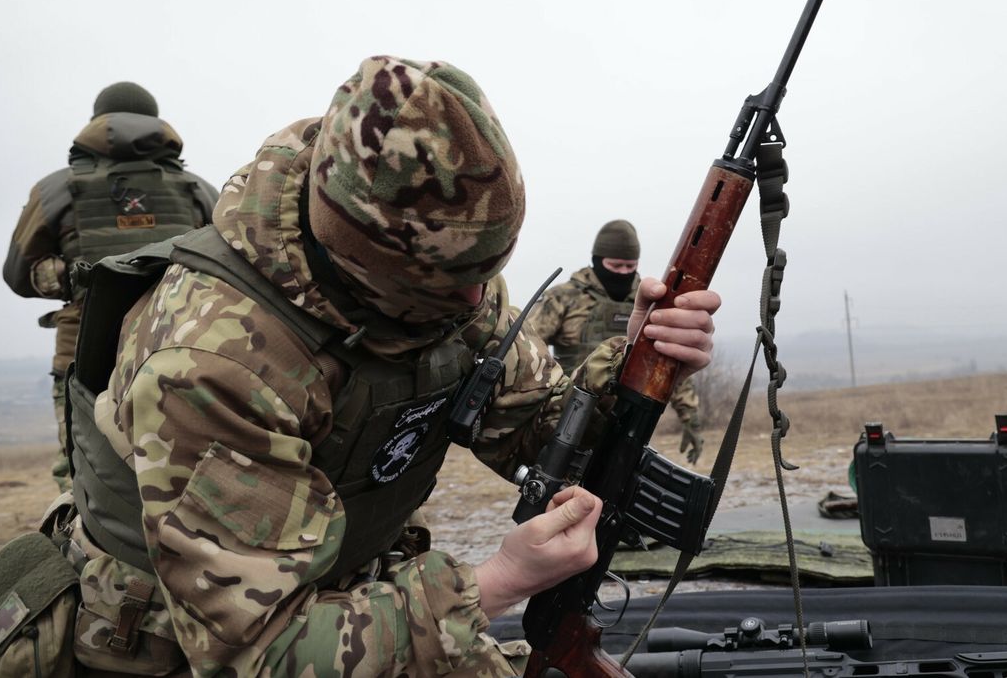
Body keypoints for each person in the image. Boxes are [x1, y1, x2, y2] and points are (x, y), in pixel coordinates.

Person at [59, 57, 720, 676]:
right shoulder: (215, 360)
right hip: (177, 644)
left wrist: (634, 367)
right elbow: (259, 651)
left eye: (485, 271)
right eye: (447, 285)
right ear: (359, 260)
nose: (476, 301)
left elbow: (532, 425)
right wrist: (497, 583)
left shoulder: (435, 272)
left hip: (359, 597)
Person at [2, 82, 218, 490]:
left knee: (84, 476)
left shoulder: (54, 190)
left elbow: (18, 275)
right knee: (184, 470)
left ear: (96, 122)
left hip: (86, 353)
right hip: (181, 348)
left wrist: (74, 274)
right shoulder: (199, 190)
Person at [530, 219, 706, 464]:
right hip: (569, 416)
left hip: (629, 420)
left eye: (630, 266)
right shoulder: (563, 298)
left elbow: (667, 362)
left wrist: (691, 419)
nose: (623, 272)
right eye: (615, 265)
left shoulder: (650, 303)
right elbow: (528, 350)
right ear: (597, 260)